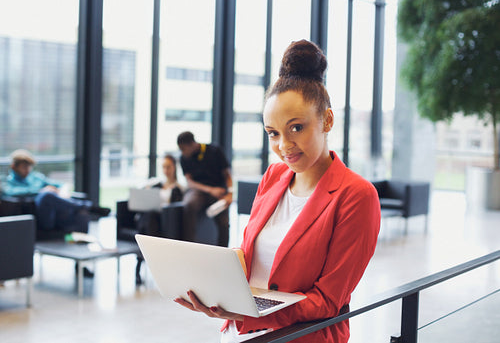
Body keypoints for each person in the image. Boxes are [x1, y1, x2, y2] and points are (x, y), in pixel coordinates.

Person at [174, 39, 381, 342]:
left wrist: (250, 312)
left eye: (296, 127)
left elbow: (328, 300)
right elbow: (252, 257)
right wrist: (216, 286)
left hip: (295, 336)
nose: (284, 146)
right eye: (273, 133)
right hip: (238, 332)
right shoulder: (274, 175)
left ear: (327, 120)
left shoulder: (356, 196)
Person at [2, 149, 110, 233]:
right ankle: (88, 207)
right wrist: (42, 190)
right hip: (37, 218)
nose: (27, 170)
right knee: (46, 196)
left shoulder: (36, 177)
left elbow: (62, 185)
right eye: (24, 167)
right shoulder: (6, 181)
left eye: (29, 167)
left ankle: (83, 208)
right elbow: (12, 192)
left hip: (55, 215)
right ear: (14, 167)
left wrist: (63, 192)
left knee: (49, 195)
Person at [177, 131, 233, 247]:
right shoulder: (184, 158)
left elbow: (227, 174)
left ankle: (223, 251)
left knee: (224, 221)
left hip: (219, 190)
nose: (182, 152)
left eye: (183, 148)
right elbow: (190, 182)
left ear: (192, 144)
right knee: (189, 204)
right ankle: (188, 247)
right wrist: (210, 190)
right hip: (199, 190)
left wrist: (230, 193)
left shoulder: (215, 151)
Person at [134, 154, 184, 284]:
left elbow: (175, 208)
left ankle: (140, 264)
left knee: (148, 218)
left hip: (164, 221)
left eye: (168, 167)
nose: (166, 170)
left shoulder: (178, 188)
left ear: (174, 168)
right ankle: (147, 256)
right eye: (163, 167)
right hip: (149, 219)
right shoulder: (157, 183)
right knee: (147, 216)